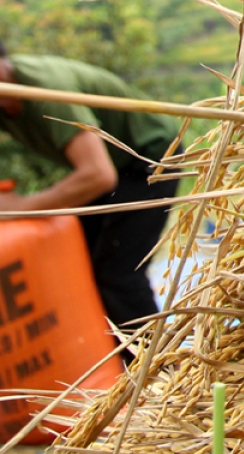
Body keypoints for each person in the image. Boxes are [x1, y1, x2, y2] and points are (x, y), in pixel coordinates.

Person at [0, 42, 180, 335]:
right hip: (113, 165)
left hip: (151, 157)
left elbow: (98, 176)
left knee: (117, 273)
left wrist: (19, 208)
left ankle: (159, 369)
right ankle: (107, 360)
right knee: (73, 259)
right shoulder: (5, 99)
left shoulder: (46, 90)